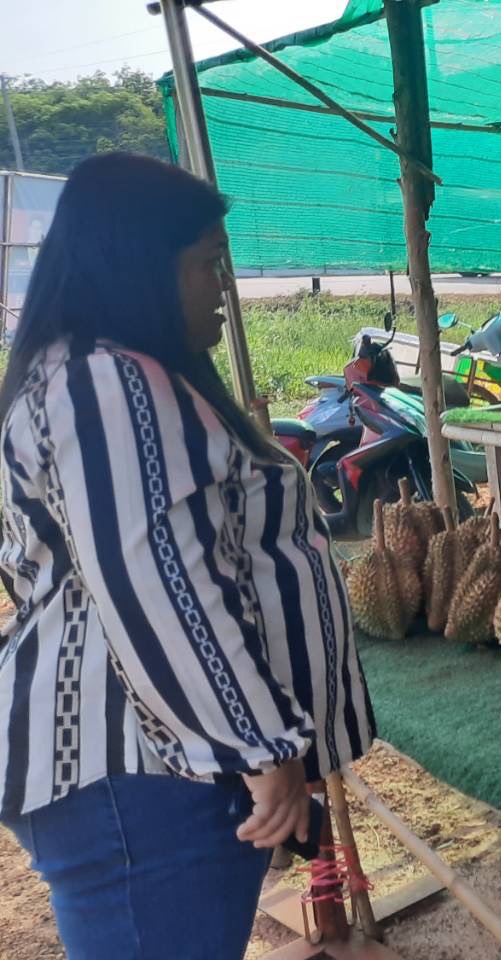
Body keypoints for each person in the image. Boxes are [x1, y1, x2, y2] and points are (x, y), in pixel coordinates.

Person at [0, 153, 374, 958]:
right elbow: (159, 587)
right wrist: (262, 749)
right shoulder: (105, 386)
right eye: (209, 262)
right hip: (142, 781)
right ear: (140, 266)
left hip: (153, 773)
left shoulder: (100, 375)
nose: (224, 288)